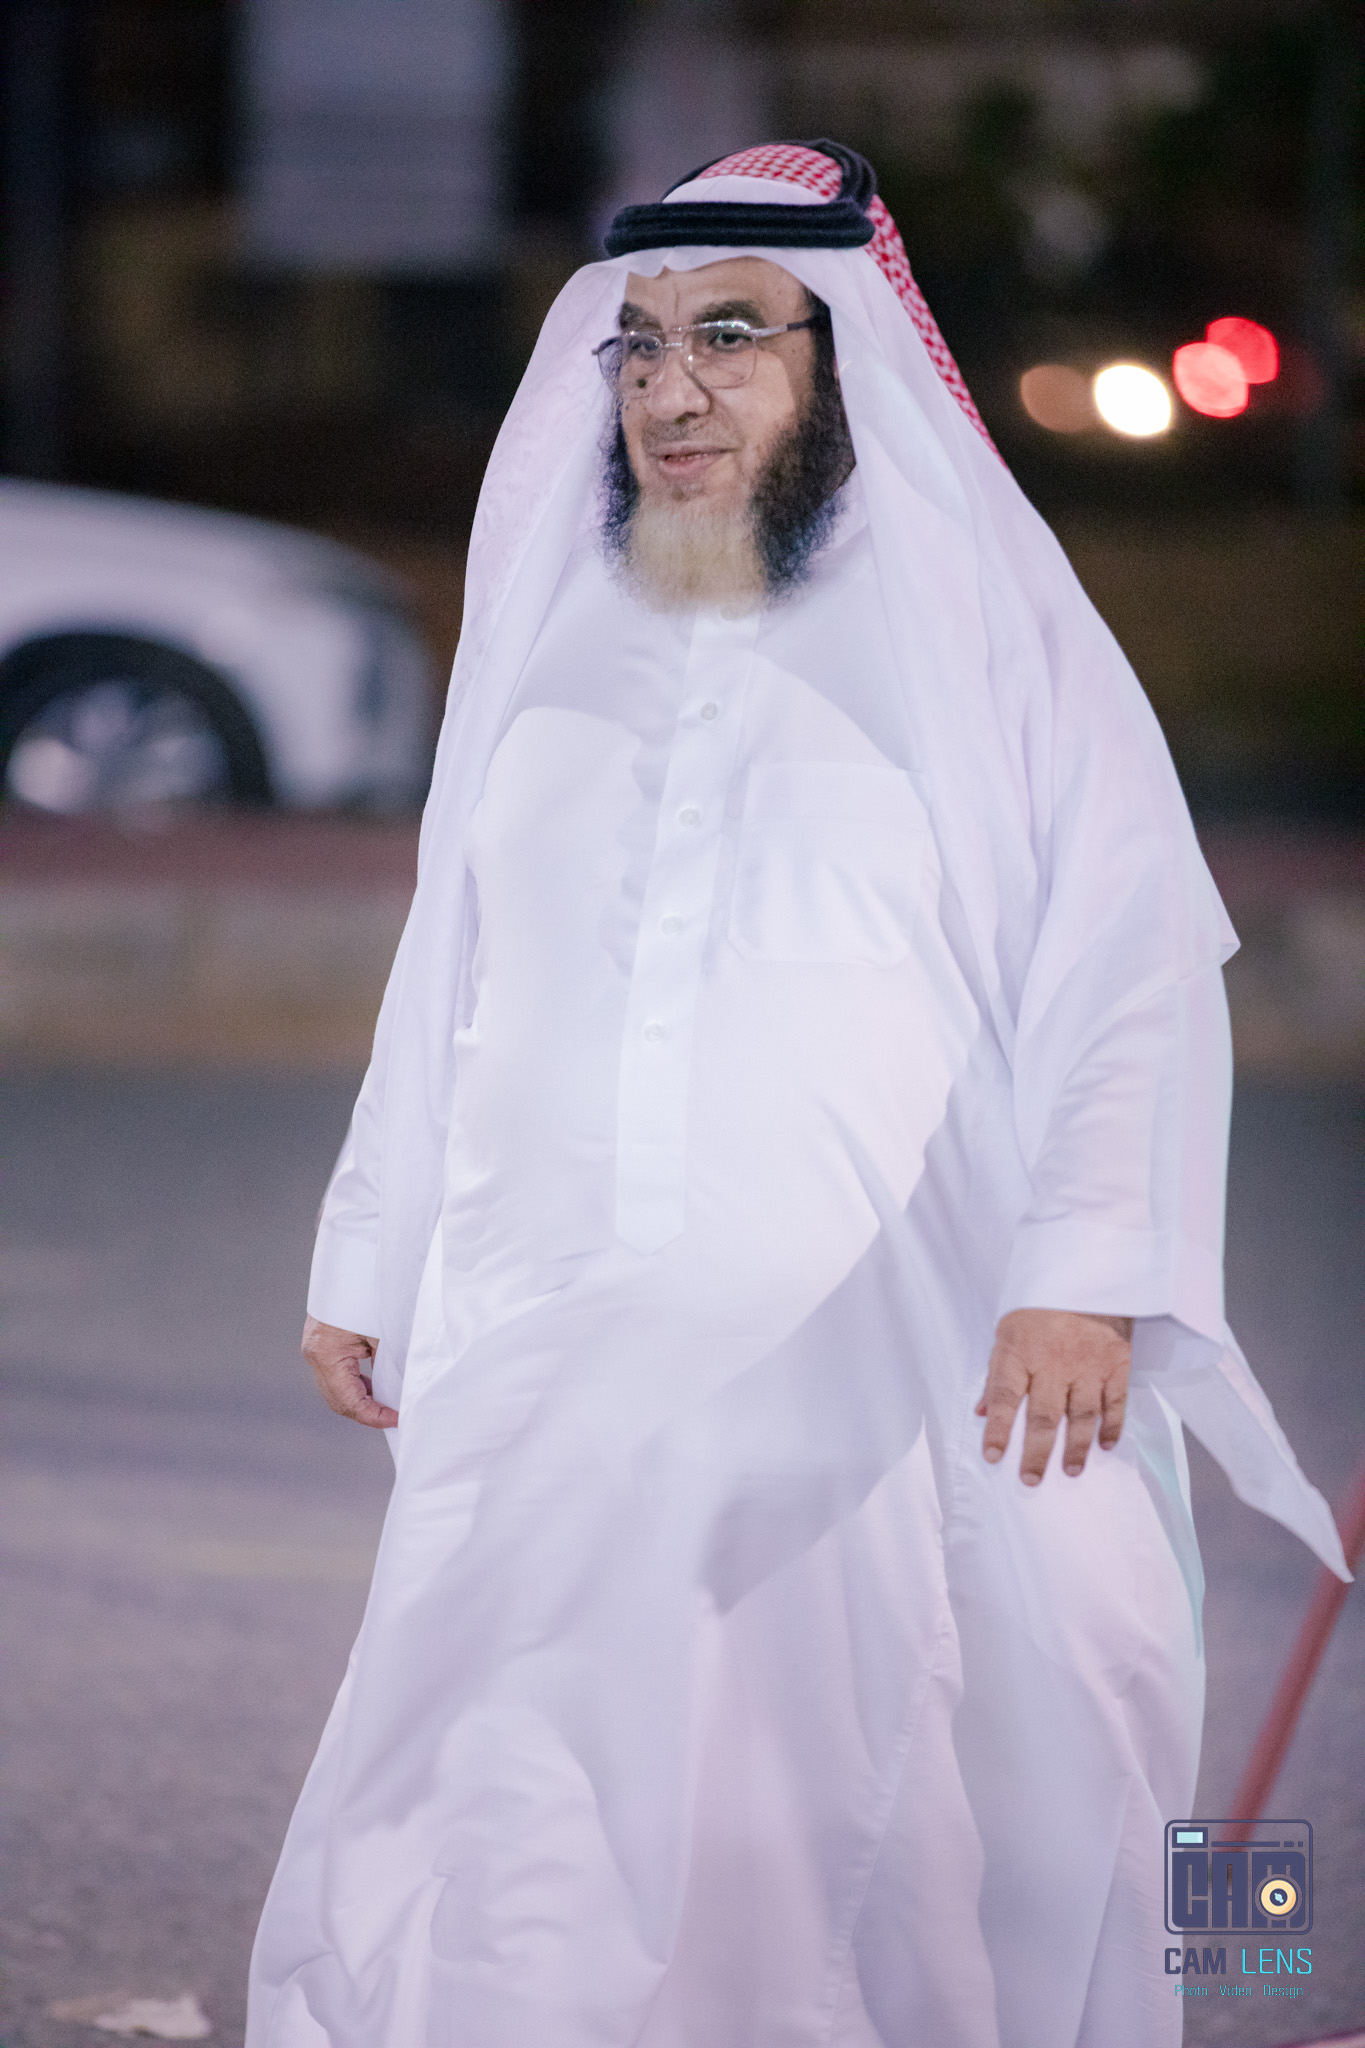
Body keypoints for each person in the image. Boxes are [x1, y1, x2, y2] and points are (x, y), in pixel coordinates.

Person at [246, 143, 1346, 2048]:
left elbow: (1130, 964)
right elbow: (457, 966)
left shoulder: (989, 635)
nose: (670, 392)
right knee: (509, 1789)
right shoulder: (555, 632)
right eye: (638, 346)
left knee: (927, 1789)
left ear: (845, 362)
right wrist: (371, 1242)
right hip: (549, 1334)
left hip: (888, 1363)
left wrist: (1083, 1272)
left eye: (731, 338)